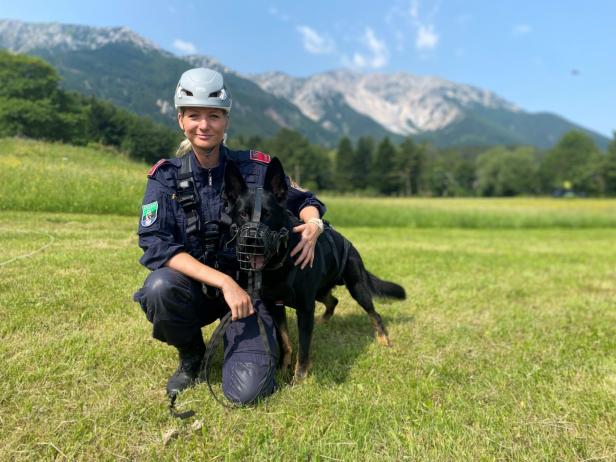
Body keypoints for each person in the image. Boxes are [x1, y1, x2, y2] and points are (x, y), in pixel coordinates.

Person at [133, 67, 326, 405]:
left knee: (246, 393)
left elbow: (305, 200)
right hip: (196, 289)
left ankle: (244, 338)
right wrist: (224, 282)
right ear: (181, 120)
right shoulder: (165, 178)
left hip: (251, 293)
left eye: (214, 116)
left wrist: (313, 225)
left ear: (226, 121)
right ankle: (191, 355)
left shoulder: (254, 167)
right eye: (194, 115)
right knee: (159, 288)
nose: (204, 125)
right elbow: (156, 245)